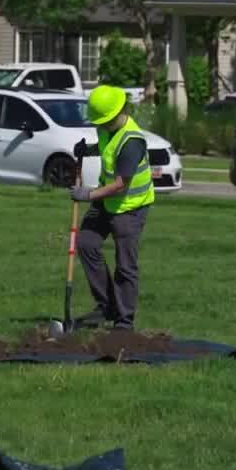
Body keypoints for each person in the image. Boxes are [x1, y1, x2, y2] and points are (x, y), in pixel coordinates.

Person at [69, 85, 155, 331]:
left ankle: (124, 322)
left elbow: (120, 185)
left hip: (130, 207)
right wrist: (89, 150)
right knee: (85, 243)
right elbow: (108, 151)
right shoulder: (107, 127)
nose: (103, 125)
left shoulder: (132, 142)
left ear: (119, 112)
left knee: (125, 264)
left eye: (106, 120)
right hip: (106, 202)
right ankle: (106, 305)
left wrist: (87, 194)